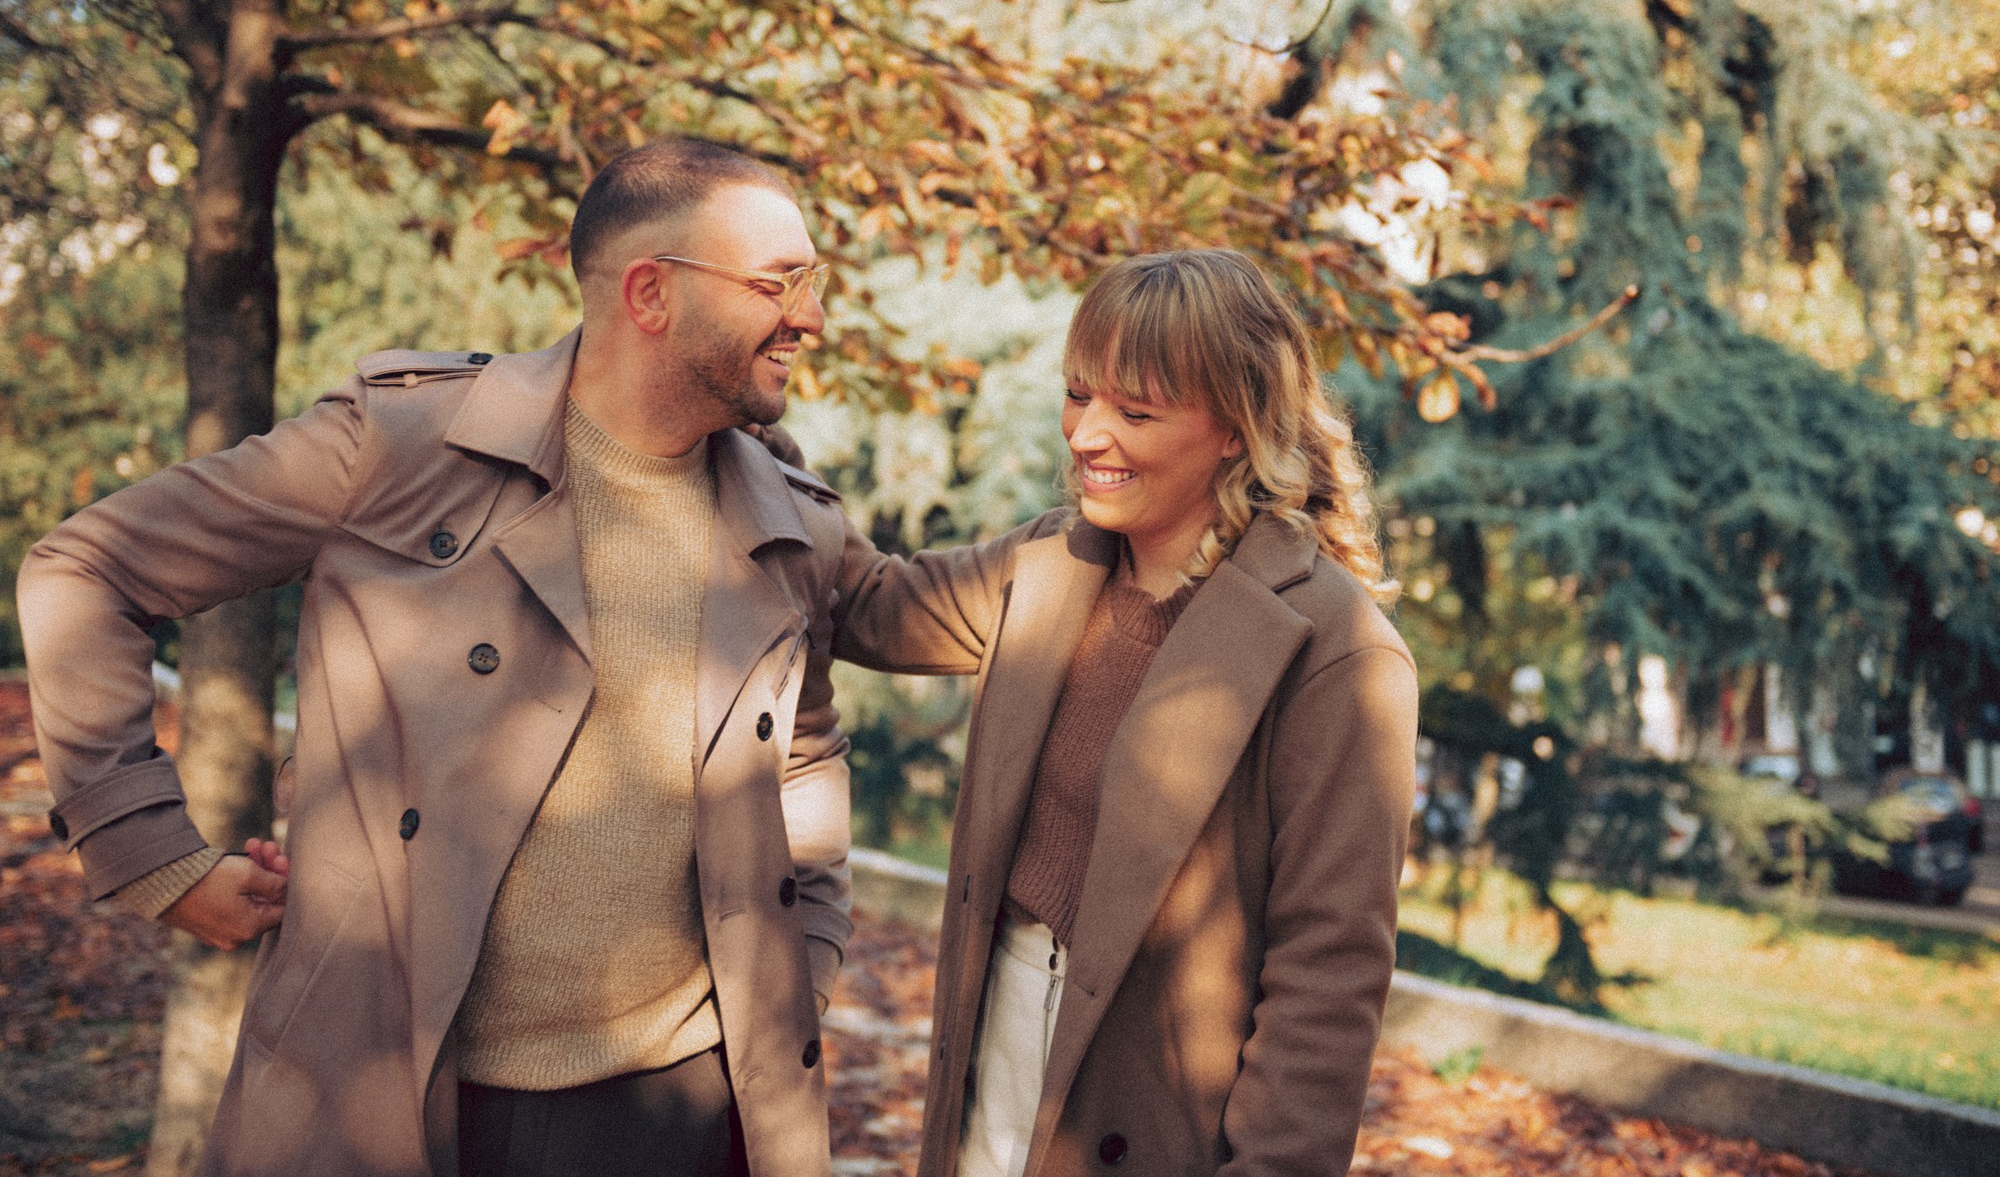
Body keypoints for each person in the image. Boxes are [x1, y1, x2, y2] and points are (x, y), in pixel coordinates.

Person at [19, 137, 855, 1177]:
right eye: (780, 282)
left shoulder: (782, 510)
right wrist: (151, 854)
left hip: (682, 1111)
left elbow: (805, 744)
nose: (812, 317)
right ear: (650, 292)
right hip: (391, 1094)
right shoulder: (409, 443)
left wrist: (801, 957)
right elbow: (85, 570)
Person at [831, 249, 1419, 1177]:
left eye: (1135, 412)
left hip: (1149, 1101)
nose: (1088, 435)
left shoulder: (1335, 649)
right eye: (1079, 395)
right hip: (995, 1042)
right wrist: (736, 430)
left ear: (1236, 427)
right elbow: (863, 603)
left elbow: (1327, 980)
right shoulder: (1048, 565)